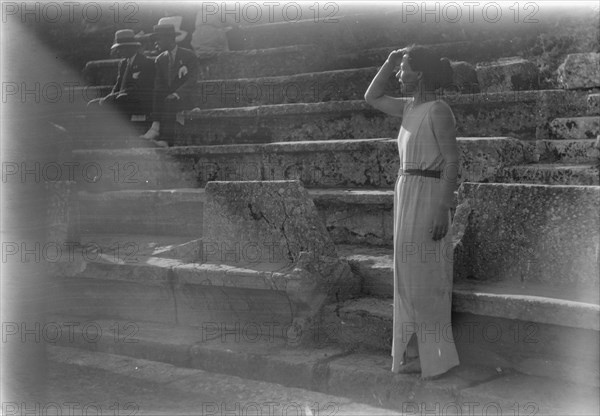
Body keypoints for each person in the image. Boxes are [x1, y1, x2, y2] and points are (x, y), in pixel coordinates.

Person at [365, 45, 460, 379]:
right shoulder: (408, 107)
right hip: (406, 192)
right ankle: (411, 351)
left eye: (404, 69)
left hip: (429, 195)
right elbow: (371, 96)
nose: (399, 75)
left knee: (427, 277)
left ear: (419, 73)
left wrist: (442, 210)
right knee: (406, 277)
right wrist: (389, 60)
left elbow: (452, 161)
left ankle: (437, 359)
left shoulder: (438, 110)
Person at [140, 22, 199, 147]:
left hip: (185, 98)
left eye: (159, 39)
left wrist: (177, 94)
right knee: (157, 92)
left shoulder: (189, 55)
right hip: (168, 98)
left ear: (170, 38)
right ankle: (154, 127)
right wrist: (163, 94)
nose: (156, 43)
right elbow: (159, 84)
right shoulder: (160, 59)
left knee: (170, 101)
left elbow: (192, 80)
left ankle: (166, 140)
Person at [87, 29, 155, 120]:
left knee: (120, 100)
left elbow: (137, 88)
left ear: (131, 47)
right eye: (118, 48)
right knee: (93, 104)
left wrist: (112, 97)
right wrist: (109, 96)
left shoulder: (146, 62)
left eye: (121, 48)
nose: (119, 51)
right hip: (122, 98)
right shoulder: (123, 64)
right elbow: (118, 85)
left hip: (139, 101)